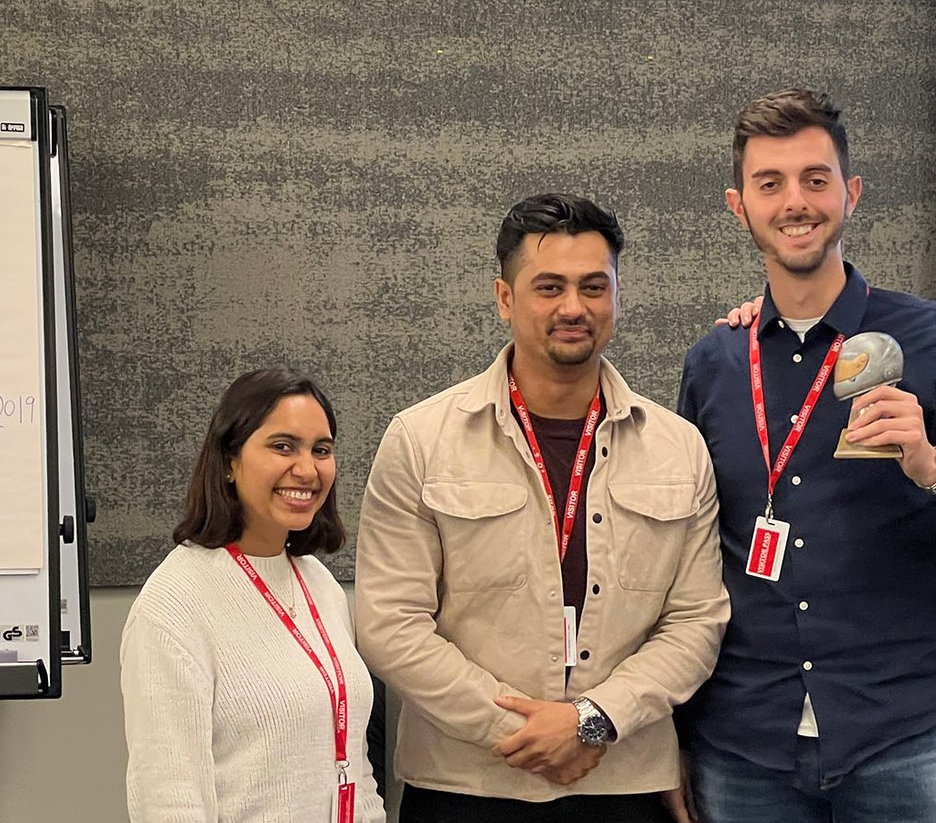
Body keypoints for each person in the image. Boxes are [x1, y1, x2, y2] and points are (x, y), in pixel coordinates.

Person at [675, 88, 936, 823]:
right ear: (738, 205)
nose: (796, 202)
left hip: (902, 738)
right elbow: (688, 554)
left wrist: (933, 465)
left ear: (849, 193)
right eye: (770, 183)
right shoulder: (715, 362)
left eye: (816, 179)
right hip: (744, 743)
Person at [354, 193, 729, 822]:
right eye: (548, 286)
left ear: (617, 294)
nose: (573, 307)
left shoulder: (678, 448)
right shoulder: (421, 440)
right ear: (505, 298)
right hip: (465, 786)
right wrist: (526, 734)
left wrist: (591, 722)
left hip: (624, 782)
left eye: (593, 286)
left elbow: (697, 623)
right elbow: (390, 625)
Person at [122, 368, 386, 823]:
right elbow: (168, 799)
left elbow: (351, 764)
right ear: (229, 459)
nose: (307, 469)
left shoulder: (319, 584)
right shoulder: (174, 604)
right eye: (283, 446)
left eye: (320, 450)